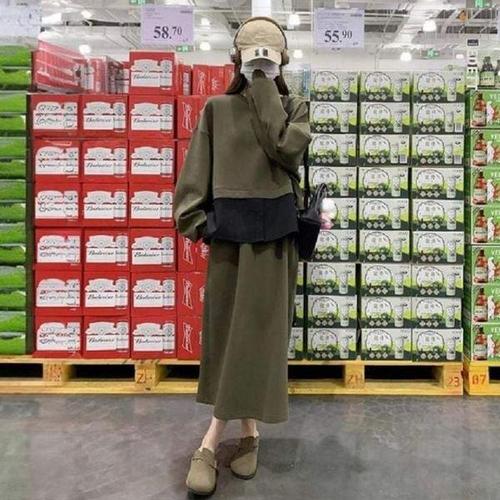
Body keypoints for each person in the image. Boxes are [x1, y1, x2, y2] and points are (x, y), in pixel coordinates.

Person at [173, 16, 311, 497]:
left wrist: (266, 88)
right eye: (252, 58)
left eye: (268, 58)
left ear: (282, 61)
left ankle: (213, 440)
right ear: (236, 59)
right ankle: (246, 434)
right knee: (229, 336)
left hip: (275, 243)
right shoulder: (217, 109)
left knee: (260, 340)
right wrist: (199, 224)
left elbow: (285, 150)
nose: (259, 65)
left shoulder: (295, 109)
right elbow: (194, 175)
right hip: (230, 241)